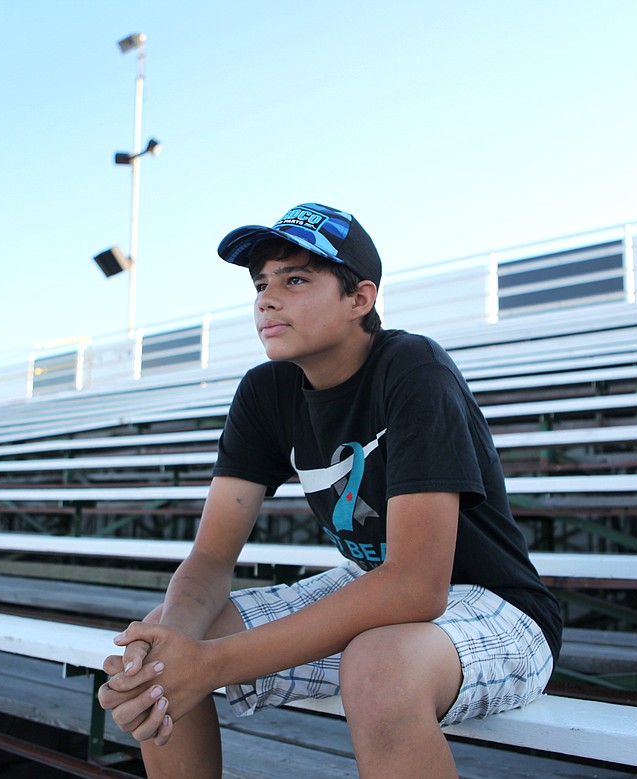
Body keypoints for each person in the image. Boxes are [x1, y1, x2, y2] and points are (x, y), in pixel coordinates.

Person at [97, 202, 563, 778]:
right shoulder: (265, 391)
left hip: (496, 603)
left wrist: (211, 664)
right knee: (159, 647)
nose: (267, 299)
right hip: (375, 592)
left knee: (380, 666)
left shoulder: (414, 367)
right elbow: (212, 556)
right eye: (262, 283)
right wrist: (173, 648)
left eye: (296, 279)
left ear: (359, 299)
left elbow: (418, 586)